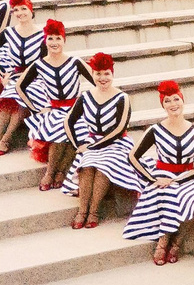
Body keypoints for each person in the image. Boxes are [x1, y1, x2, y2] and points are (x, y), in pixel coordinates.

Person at [122, 81, 194, 263]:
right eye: (168, 101)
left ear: (182, 101)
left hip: (188, 175)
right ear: (163, 105)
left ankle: (177, 243)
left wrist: (184, 178)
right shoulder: (156, 130)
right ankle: (163, 242)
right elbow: (133, 157)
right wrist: (152, 178)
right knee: (169, 194)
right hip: (163, 174)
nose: (173, 104)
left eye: (176, 99)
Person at [60, 52, 139, 229]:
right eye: (98, 73)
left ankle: (93, 212)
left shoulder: (122, 98)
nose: (102, 78)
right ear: (92, 74)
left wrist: (92, 147)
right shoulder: (86, 96)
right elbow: (69, 122)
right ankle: (82, 211)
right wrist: (78, 146)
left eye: (106, 74)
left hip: (117, 144)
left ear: (112, 74)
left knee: (103, 165)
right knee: (87, 165)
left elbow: (119, 129)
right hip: (92, 142)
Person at [17, 19, 87, 187]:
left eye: (58, 38)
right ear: (45, 40)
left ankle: (62, 171)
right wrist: (35, 108)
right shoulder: (40, 64)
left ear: (64, 40)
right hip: (55, 109)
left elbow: (97, 82)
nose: (54, 42)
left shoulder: (74, 61)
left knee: (76, 129)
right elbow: (21, 87)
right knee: (60, 127)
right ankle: (50, 172)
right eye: (50, 38)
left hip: (75, 109)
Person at [0, 0, 44, 157]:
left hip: (38, 79)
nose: (20, 13)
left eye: (24, 9)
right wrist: (3, 72)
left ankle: (6, 139)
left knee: (21, 93)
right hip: (15, 76)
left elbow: (46, 63)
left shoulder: (43, 35)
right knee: (10, 93)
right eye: (16, 10)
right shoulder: (9, 32)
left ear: (31, 11)